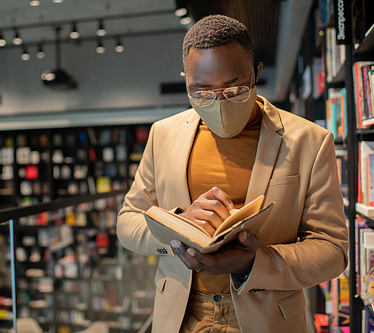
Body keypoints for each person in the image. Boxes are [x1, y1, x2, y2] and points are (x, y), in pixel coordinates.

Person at [116, 14, 348, 333]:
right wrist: (178, 230)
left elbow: (332, 251)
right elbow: (128, 222)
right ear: (186, 82)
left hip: (267, 317)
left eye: (235, 89)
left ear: (256, 73)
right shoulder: (163, 135)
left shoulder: (309, 141)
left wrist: (252, 263)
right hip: (181, 315)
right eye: (201, 93)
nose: (219, 104)